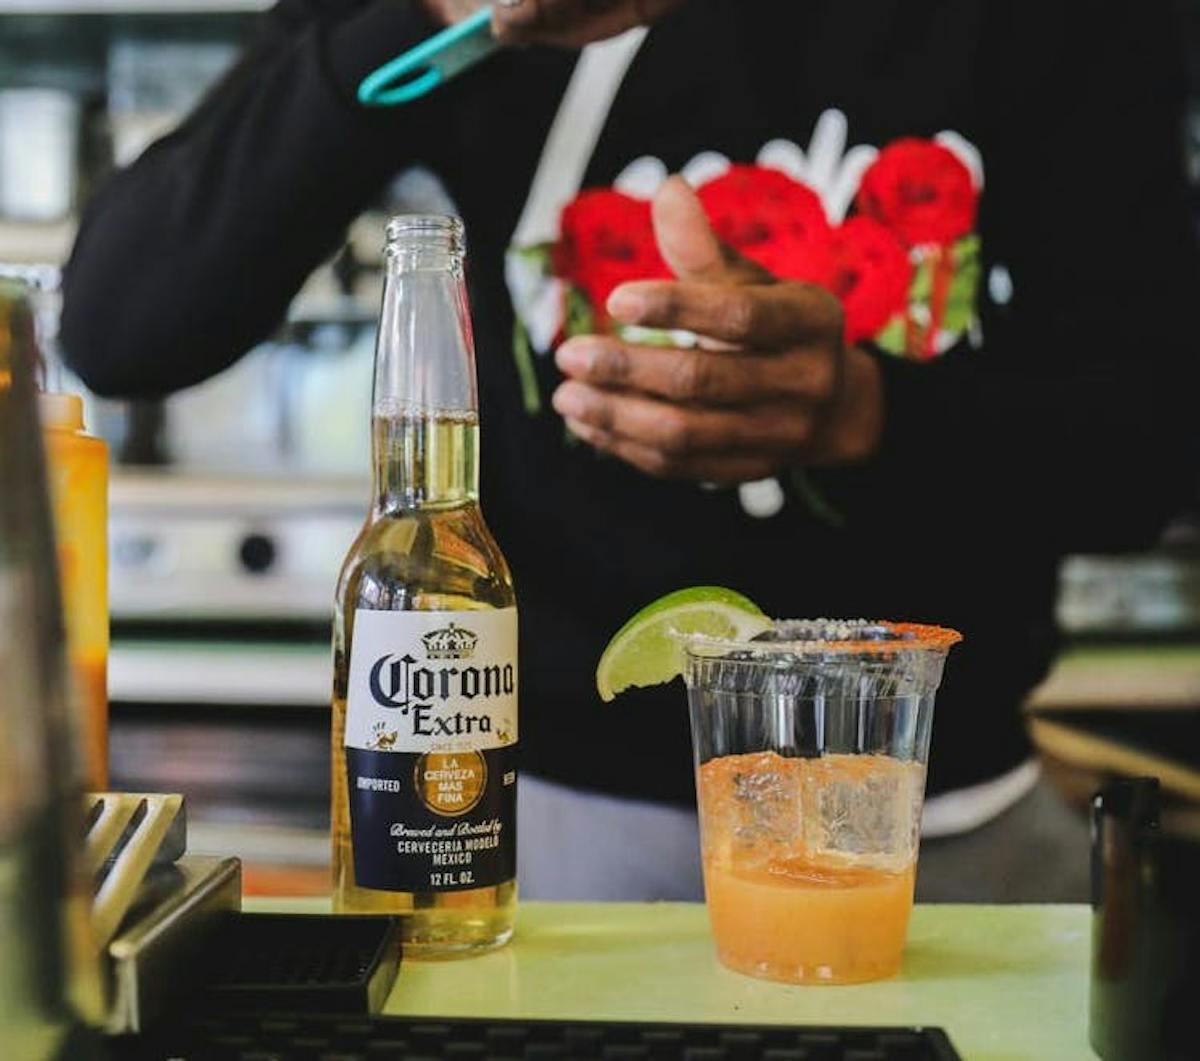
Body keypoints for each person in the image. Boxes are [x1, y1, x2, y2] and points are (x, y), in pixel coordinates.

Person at [61, 0, 1199, 901]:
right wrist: (442, 9)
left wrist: (866, 414)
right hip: (551, 825)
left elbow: (1148, 449)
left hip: (940, 816)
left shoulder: (1059, 19)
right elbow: (123, 321)